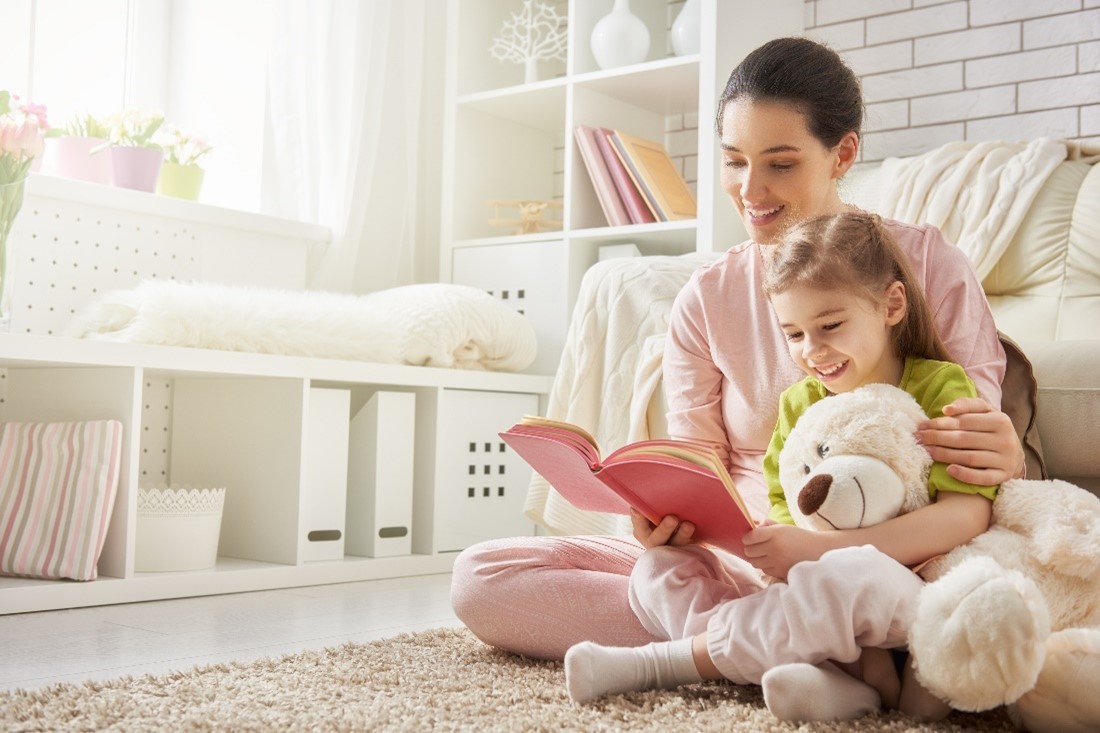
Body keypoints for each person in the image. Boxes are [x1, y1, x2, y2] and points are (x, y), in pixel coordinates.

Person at [451, 35, 1024, 719]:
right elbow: (699, 465)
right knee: (481, 577)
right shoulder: (706, 296)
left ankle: (736, 648)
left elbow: (972, 471)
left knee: (944, 590)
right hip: (744, 559)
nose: (750, 191)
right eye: (733, 162)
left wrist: (998, 450)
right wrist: (662, 516)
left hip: (887, 558)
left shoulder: (924, 264)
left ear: (843, 153)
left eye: (780, 163)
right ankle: (805, 653)